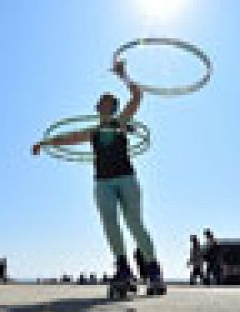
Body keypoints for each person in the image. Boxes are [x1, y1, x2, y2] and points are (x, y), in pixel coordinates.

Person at [31, 60, 165, 295]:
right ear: (98, 107)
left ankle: (153, 270)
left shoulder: (122, 123)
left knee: (134, 223)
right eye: (102, 101)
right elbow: (69, 138)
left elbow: (137, 96)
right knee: (110, 224)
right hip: (102, 182)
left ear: (114, 109)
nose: (105, 104)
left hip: (126, 178)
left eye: (110, 102)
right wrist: (45, 143)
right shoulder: (92, 132)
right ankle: (123, 269)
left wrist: (123, 75)